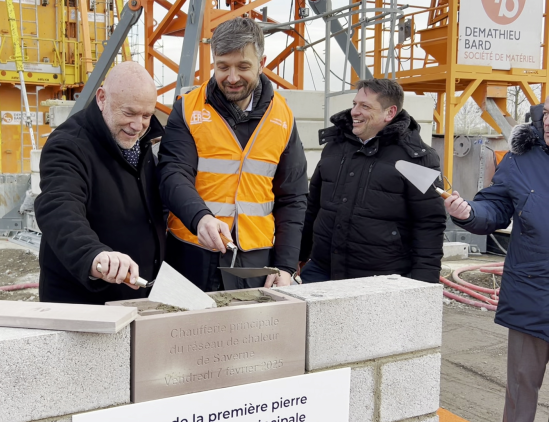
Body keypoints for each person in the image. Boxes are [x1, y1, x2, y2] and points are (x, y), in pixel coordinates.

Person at [158, 18, 308, 292]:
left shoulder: (283, 116)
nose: (232, 77)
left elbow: (293, 196)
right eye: (222, 66)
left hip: (257, 261)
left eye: (243, 67)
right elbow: (172, 174)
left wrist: (286, 266)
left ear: (262, 63)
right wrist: (201, 218)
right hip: (192, 253)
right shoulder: (188, 110)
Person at [444, 98, 549, 422]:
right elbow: (495, 208)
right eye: (548, 115)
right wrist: (470, 212)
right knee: (521, 390)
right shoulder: (520, 159)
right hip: (532, 293)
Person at [34, 61, 165, 305]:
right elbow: (59, 207)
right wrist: (93, 255)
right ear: (102, 98)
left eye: (146, 115)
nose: (138, 125)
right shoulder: (68, 145)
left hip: (138, 296)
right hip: (85, 304)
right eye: (129, 113)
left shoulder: (145, 142)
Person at [299, 78, 445, 283]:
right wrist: (296, 258)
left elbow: (429, 224)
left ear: (390, 113)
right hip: (322, 270)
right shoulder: (334, 147)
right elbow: (312, 207)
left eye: (365, 106)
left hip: (380, 280)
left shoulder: (418, 158)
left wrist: (423, 285)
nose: (354, 112)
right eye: (354, 104)